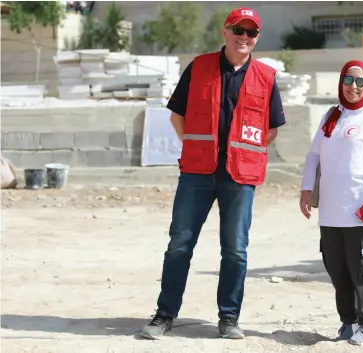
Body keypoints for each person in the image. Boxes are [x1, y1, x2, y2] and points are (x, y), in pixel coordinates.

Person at [139, 7, 286, 340]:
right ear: (225, 31)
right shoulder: (199, 67)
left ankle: (229, 318)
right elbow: (177, 115)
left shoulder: (265, 77)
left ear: (256, 38)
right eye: (238, 29)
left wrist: (241, 153)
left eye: (251, 33)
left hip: (239, 176)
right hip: (198, 172)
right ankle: (164, 315)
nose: (244, 37)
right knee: (180, 244)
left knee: (235, 248)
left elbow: (271, 129)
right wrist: (198, 146)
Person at [299, 60, 363, 346]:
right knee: (338, 272)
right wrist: (306, 190)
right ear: (341, 82)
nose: (354, 87)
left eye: (360, 81)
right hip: (331, 213)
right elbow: (313, 156)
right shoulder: (332, 116)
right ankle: (348, 322)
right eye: (349, 80)